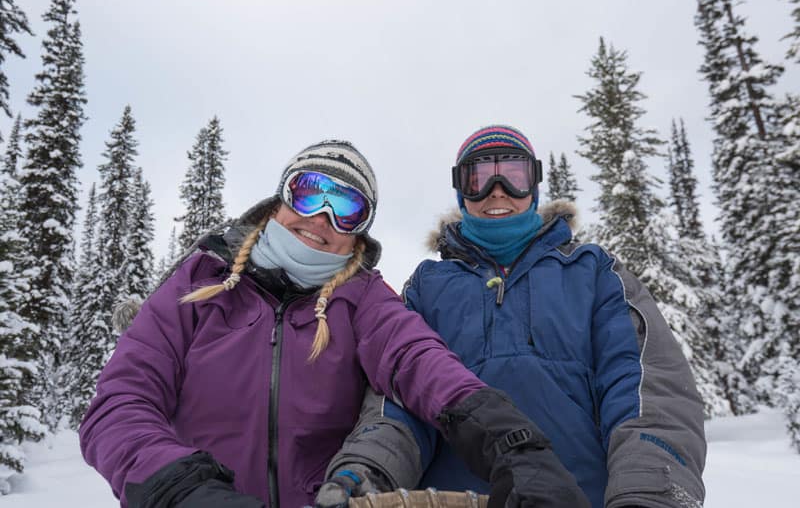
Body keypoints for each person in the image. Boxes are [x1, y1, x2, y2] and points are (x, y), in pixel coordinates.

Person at [79, 140, 590, 508]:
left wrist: (510, 440)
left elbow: (422, 362)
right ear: (279, 203)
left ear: (359, 233)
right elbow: (119, 407)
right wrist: (182, 487)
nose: (322, 218)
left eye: (346, 208)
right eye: (308, 193)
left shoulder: (364, 299)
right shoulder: (201, 281)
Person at [316, 126, 707, 508]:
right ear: (461, 190)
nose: (497, 191)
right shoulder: (428, 288)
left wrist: (648, 493)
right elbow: (399, 398)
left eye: (513, 176)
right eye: (479, 177)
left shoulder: (593, 273)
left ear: (534, 185)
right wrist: (371, 469)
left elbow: (646, 391)